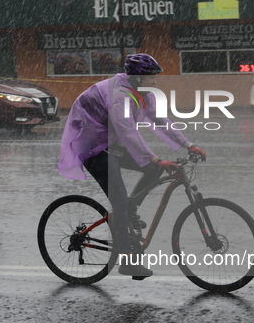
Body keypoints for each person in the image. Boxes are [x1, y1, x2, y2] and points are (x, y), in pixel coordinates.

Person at [57, 53, 206, 278]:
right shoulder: (120, 96)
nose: (155, 81)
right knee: (120, 197)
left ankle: (128, 211)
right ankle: (127, 259)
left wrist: (189, 144)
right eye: (151, 77)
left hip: (111, 140)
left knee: (152, 171)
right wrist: (155, 158)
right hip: (92, 146)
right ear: (137, 78)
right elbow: (128, 133)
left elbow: (160, 121)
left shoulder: (142, 92)